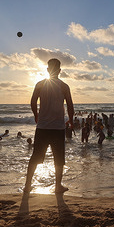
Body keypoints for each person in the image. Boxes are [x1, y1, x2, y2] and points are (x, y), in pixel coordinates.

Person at [23, 58, 74, 194]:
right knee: (59, 158)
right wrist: (71, 120)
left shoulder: (40, 84)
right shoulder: (64, 86)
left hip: (43, 126)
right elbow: (70, 105)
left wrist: (36, 115)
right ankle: (58, 186)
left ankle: (28, 185)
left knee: (36, 157)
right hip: (58, 127)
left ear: (47, 70)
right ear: (59, 70)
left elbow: (33, 102)